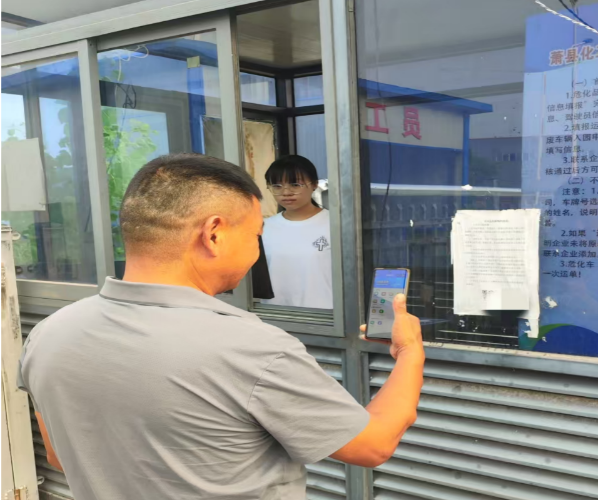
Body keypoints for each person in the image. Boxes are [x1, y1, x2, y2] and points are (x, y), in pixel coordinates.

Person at [18, 153, 425, 500]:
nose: (255, 251)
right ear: (213, 234)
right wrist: (409, 352)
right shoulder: (252, 349)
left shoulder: (49, 334)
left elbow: (59, 457)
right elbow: (373, 445)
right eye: (255, 236)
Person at [260, 155, 333, 309]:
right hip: (273, 314)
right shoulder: (263, 228)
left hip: (325, 315)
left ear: (314, 184)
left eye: (295, 184)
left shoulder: (334, 225)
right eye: (277, 186)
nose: (286, 192)